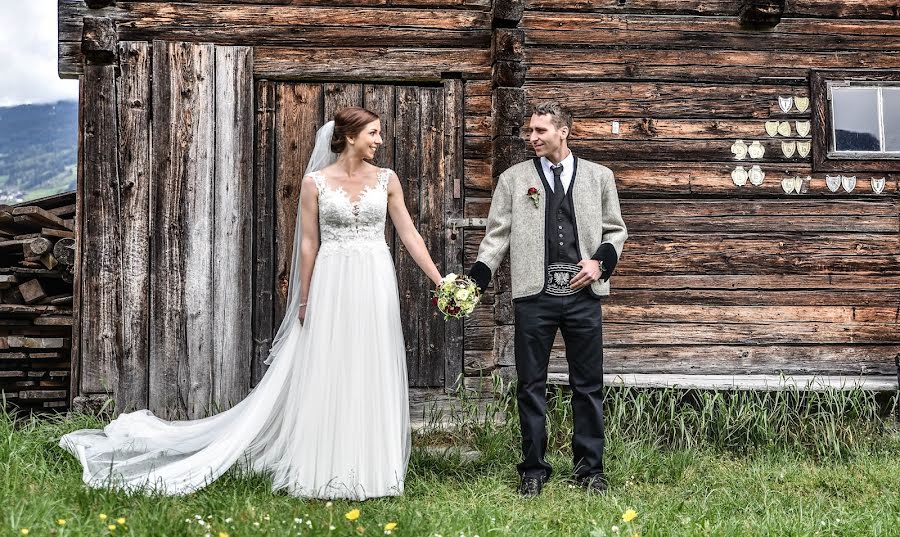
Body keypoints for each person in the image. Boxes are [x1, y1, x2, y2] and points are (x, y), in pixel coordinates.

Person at [60, 107, 443, 500]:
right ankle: (325, 467)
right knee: (330, 366)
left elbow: (409, 234)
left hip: (374, 278)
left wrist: (439, 280)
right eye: (374, 133)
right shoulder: (316, 183)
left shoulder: (387, 180)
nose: (380, 141)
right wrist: (305, 297)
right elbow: (309, 244)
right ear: (349, 136)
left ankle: (374, 468)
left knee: (369, 364)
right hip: (333, 280)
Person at [468, 101, 628, 497]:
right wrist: (474, 282)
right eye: (530, 131)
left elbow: (615, 231)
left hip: (583, 295)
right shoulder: (513, 178)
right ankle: (533, 470)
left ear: (563, 131)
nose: (532, 138)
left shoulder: (599, 176)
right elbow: (496, 237)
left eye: (540, 131)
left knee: (588, 385)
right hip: (533, 297)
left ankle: (591, 471)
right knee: (530, 385)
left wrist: (599, 263)